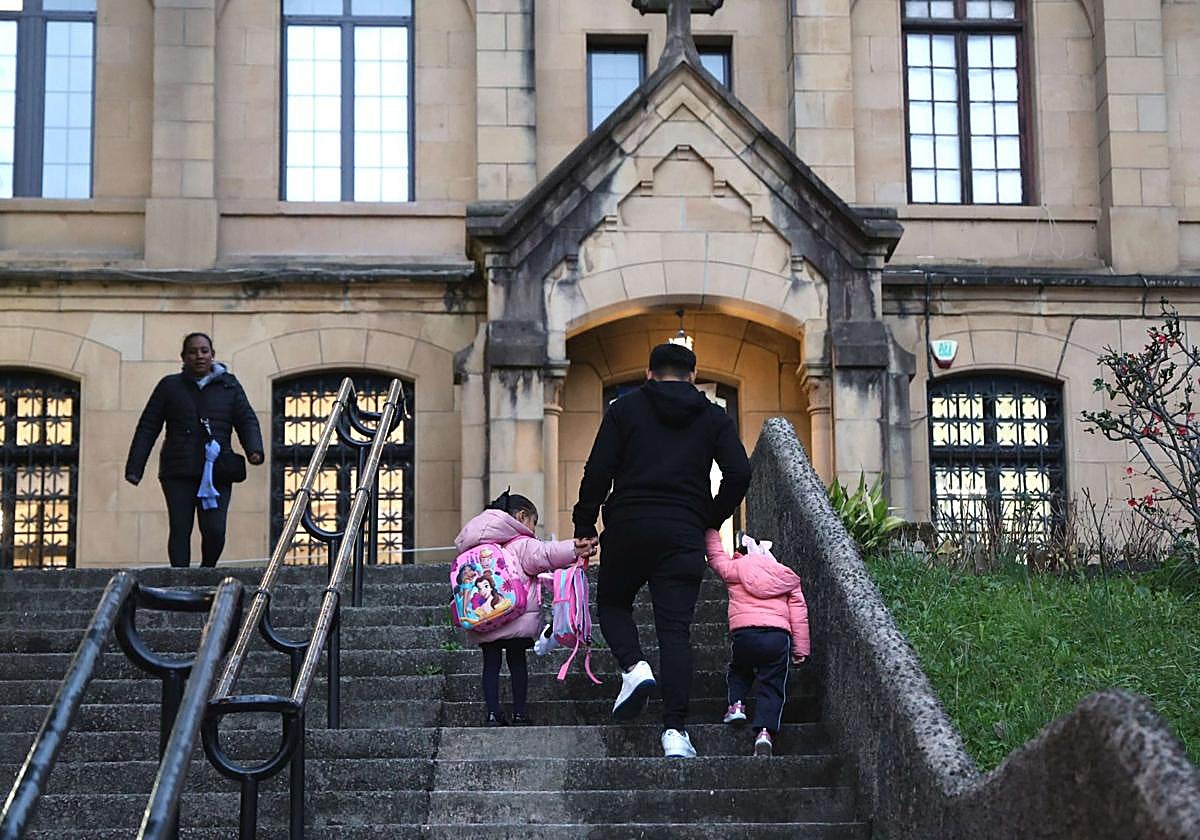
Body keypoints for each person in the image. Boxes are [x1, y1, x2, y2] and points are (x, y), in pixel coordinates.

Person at [572, 342, 751, 758]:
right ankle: (674, 732)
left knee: (613, 604)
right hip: (683, 533)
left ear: (649, 373)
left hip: (629, 526)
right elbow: (740, 472)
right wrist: (709, 516)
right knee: (675, 632)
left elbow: (598, 470)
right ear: (694, 375)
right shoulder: (713, 416)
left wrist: (585, 524)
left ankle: (634, 667)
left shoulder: (624, 409)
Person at [455, 490, 596, 726]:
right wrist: (574, 549)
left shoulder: (474, 546)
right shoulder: (521, 543)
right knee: (517, 663)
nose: (533, 529)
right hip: (516, 616)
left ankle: (492, 713)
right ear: (521, 516)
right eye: (533, 522)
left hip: (483, 618)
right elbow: (546, 554)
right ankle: (519, 713)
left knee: (490, 665)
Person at [124, 332, 264, 568]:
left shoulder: (230, 386)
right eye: (193, 352)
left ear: (212, 355)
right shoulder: (169, 386)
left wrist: (254, 449)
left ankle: (207, 570)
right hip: (178, 470)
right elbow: (148, 426)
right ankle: (181, 577)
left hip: (217, 470)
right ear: (183, 357)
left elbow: (246, 419)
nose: (199, 356)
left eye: (204, 351)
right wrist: (135, 469)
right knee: (180, 528)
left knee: (215, 530)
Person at [704, 529, 809, 757]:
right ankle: (764, 733)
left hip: (745, 634)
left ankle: (737, 705)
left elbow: (716, 557)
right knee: (772, 684)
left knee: (739, 670)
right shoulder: (784, 575)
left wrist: (710, 529)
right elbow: (799, 613)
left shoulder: (735, 568)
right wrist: (800, 649)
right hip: (778, 637)